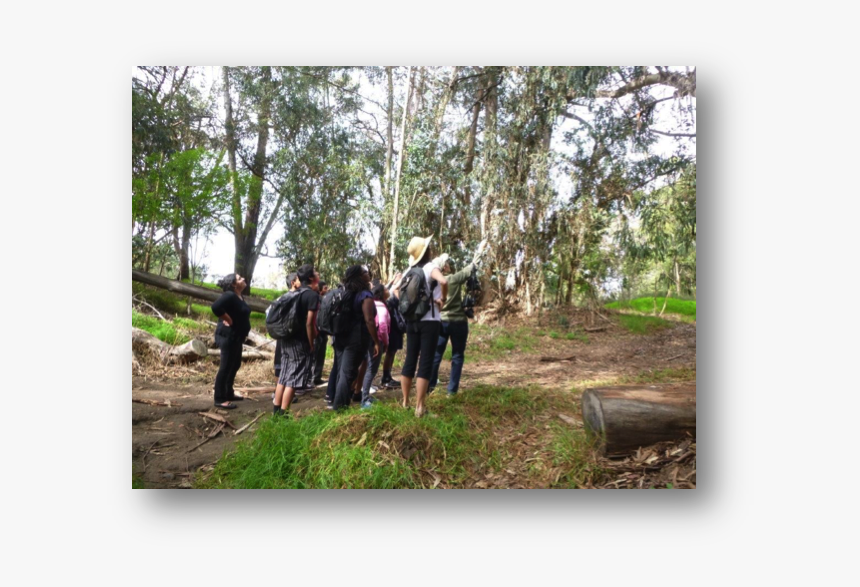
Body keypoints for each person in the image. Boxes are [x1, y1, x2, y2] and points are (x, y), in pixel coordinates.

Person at [399, 236, 447, 418]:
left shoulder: (408, 271)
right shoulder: (430, 267)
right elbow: (443, 282)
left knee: (410, 359)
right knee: (425, 361)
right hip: (430, 321)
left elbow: (397, 290)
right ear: (427, 251)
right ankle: (420, 407)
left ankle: (405, 402)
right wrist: (442, 299)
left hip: (412, 320)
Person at [429, 247, 484, 395]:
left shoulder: (432, 282)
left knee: (436, 355)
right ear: (444, 267)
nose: (449, 263)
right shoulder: (453, 278)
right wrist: (480, 250)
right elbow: (471, 267)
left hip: (441, 322)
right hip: (458, 322)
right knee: (457, 356)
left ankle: (430, 387)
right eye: (447, 262)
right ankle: (451, 391)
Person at [272, 264, 320, 416]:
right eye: (316, 272)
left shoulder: (295, 293)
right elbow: (309, 323)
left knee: (284, 374)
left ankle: (276, 410)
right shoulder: (311, 295)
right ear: (312, 278)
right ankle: (284, 414)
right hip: (300, 341)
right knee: (293, 378)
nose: (318, 274)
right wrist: (311, 342)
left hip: (286, 338)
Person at [331, 265, 380, 410]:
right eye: (365, 272)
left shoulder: (344, 292)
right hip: (356, 339)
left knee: (342, 372)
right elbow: (369, 320)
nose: (368, 274)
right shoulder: (365, 294)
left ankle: (339, 403)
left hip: (340, 336)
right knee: (348, 373)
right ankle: (339, 408)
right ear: (359, 276)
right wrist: (376, 341)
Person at [211, 273, 251, 410]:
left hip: (237, 337)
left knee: (235, 365)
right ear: (234, 284)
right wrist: (228, 319)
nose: (243, 279)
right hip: (227, 336)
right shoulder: (229, 295)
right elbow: (216, 307)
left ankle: (228, 393)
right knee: (226, 366)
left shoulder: (239, 296)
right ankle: (220, 398)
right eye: (240, 278)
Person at [359, 282, 391, 408]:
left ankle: (364, 395)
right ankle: (365, 399)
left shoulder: (372, 303)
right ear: (381, 293)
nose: (388, 291)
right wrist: (385, 342)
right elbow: (382, 327)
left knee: (367, 367)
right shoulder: (381, 307)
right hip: (376, 341)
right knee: (371, 369)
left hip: (368, 340)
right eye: (386, 289)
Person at [273, 272, 300, 381]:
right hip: (286, 335)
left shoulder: (282, 297)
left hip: (285, 334)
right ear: (293, 283)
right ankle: (278, 393)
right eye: (299, 279)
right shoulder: (290, 298)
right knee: (281, 364)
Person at [380, 272, 404, 389]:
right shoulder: (390, 295)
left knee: (392, 352)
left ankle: (388, 376)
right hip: (392, 328)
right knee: (390, 352)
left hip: (396, 327)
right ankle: (385, 377)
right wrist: (398, 280)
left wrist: (394, 280)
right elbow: (391, 289)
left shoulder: (391, 293)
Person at [313, 280, 330, 385]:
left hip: (323, 332)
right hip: (316, 332)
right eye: (325, 288)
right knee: (315, 356)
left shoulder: (325, 300)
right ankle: (311, 377)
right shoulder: (315, 299)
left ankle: (317, 377)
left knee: (321, 355)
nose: (327, 290)